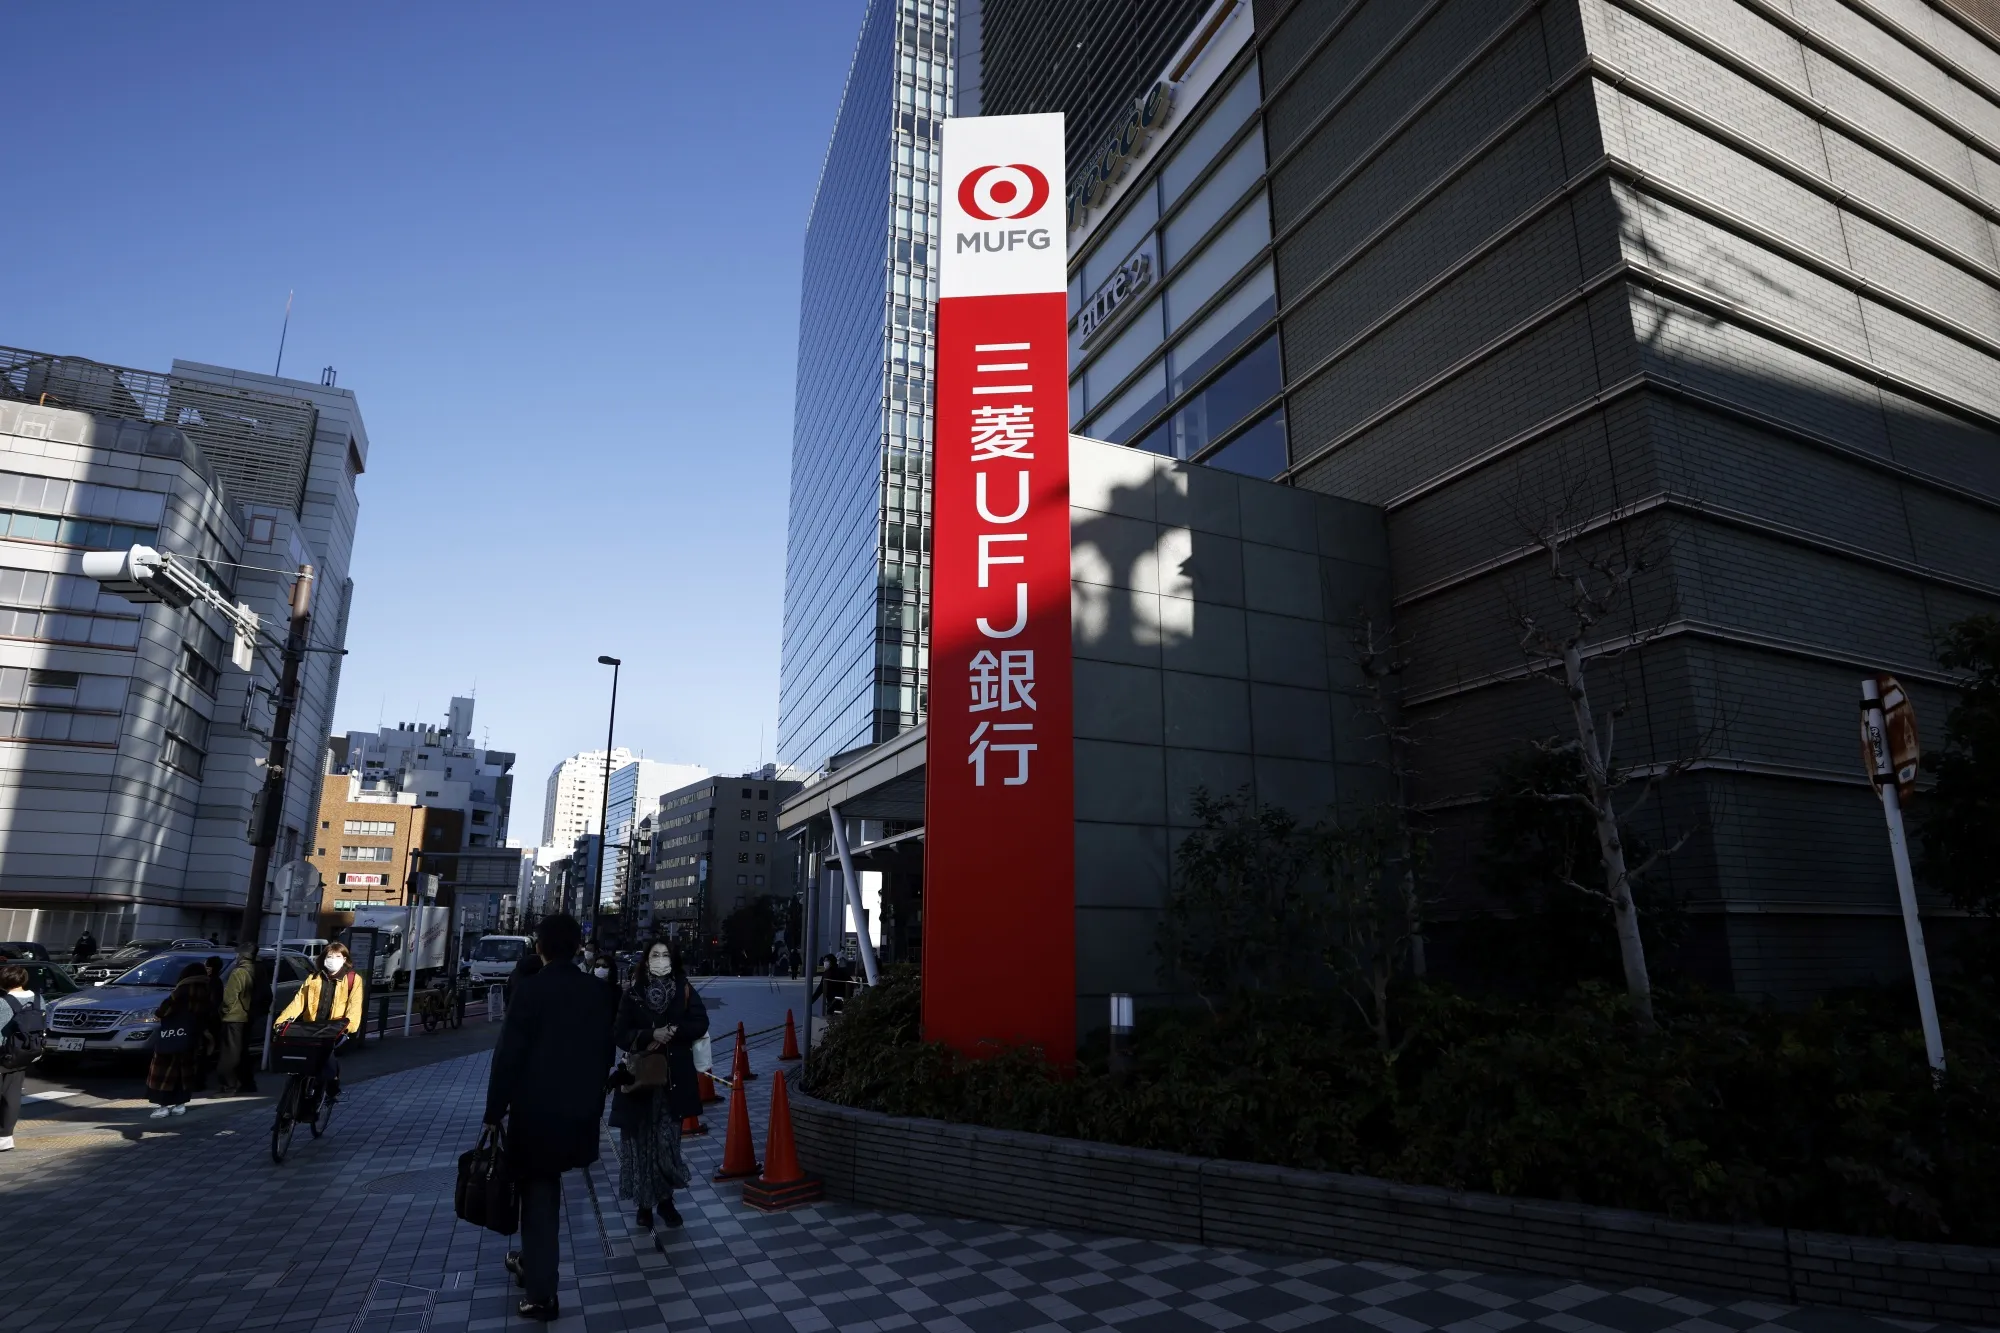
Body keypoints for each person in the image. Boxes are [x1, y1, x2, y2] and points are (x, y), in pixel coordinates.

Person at [484, 914, 615, 1323]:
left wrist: (494, 1110)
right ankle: (530, 1261)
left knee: (539, 1195)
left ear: (539, 947)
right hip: (580, 1112)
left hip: (535, 1110)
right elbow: (605, 1054)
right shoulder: (599, 992)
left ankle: (542, 1294)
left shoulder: (531, 991)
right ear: (578, 947)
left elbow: (508, 1056)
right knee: (548, 1186)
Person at [609, 939, 708, 1230]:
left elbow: (700, 1022)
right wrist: (651, 1033)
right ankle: (644, 1205)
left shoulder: (684, 989)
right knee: (640, 1144)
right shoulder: (633, 992)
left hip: (673, 1079)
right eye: (655, 954)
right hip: (640, 1080)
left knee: (667, 1143)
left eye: (665, 955)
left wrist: (673, 1031)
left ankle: (665, 1201)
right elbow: (620, 1033)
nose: (660, 959)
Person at [272, 940, 365, 1103]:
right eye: (329, 956)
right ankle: (293, 1103)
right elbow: (298, 1002)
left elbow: (354, 1006)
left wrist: (348, 1028)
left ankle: (330, 1090)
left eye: (338, 956)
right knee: (302, 1062)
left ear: (344, 959)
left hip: (334, 1029)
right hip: (312, 1027)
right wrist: (282, 1021)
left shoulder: (352, 980)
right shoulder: (313, 978)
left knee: (327, 1061)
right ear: (323, 958)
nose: (333, 959)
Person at [147, 963, 216, 1119]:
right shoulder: (206, 990)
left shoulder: (182, 990)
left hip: (172, 1034)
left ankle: (162, 1106)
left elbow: (165, 1009)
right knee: (185, 1070)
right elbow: (209, 1013)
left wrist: (160, 1014)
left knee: (165, 1069)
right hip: (192, 1036)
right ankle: (180, 1104)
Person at [0, 963, 44, 1151]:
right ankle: (5, 1137)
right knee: (12, 1094)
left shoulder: (2, 1002)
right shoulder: (38, 999)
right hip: (26, 1051)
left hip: (3, 1052)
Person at [218, 943, 258, 1094]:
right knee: (243, 1051)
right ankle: (246, 1083)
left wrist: (225, 1011)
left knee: (230, 1053)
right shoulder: (257, 970)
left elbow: (230, 997)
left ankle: (229, 1085)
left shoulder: (238, 972)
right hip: (248, 1016)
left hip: (235, 1017)